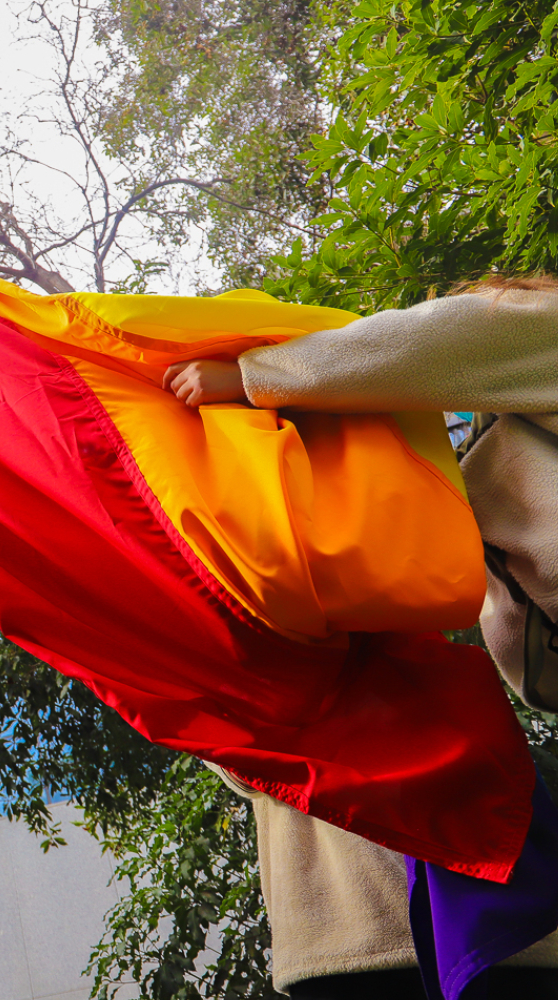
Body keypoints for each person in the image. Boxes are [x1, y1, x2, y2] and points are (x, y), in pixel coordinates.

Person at [164, 276, 558, 997]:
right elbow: (534, 678)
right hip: (378, 937)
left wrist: (254, 378)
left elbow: (447, 336)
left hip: (394, 939)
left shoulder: (429, 571)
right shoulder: (432, 564)